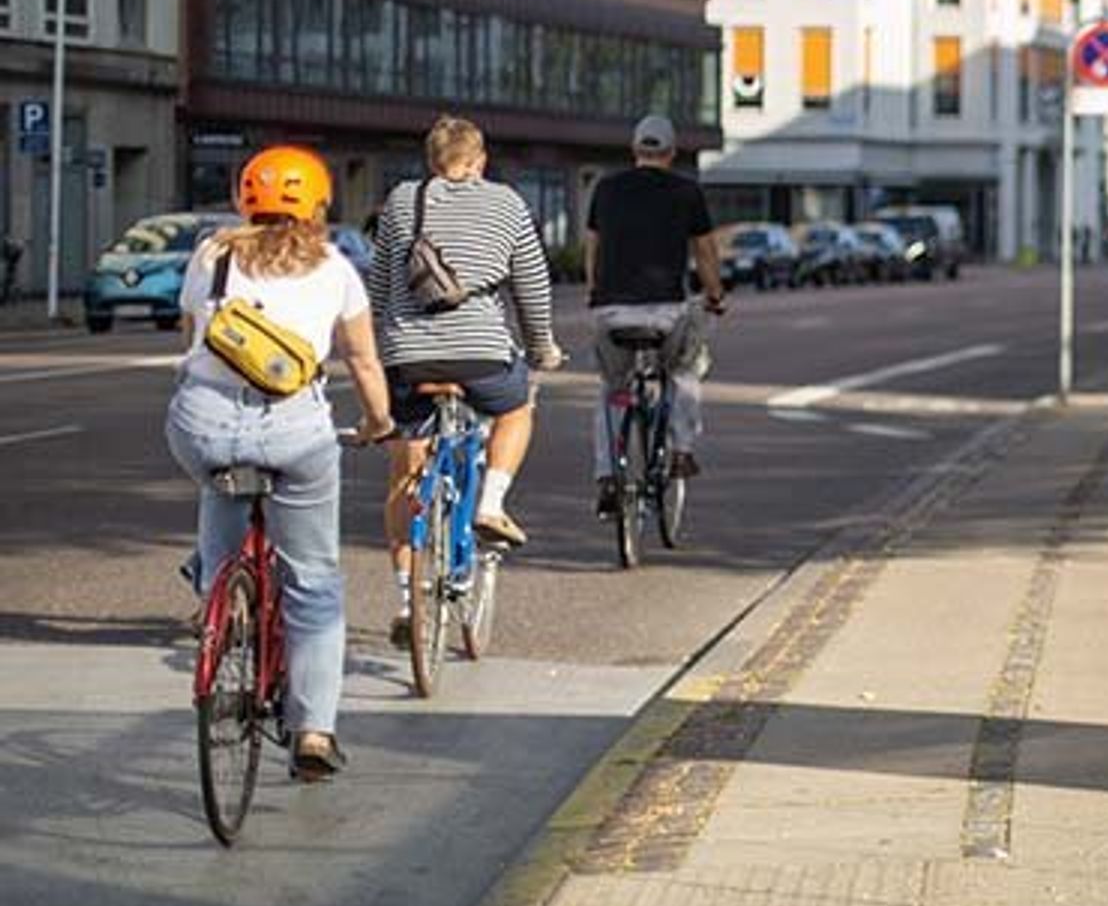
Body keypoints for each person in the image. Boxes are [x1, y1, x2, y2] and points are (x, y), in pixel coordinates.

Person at [166, 145, 394, 782]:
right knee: (314, 580)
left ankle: (218, 593)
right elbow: (363, 360)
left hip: (203, 425)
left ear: (243, 199)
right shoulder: (335, 267)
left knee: (220, 480)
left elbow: (190, 334)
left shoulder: (211, 255)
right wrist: (378, 423)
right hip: (294, 431)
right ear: (319, 204)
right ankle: (315, 730)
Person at [369, 117, 562, 644]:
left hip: (408, 359)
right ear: (479, 161)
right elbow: (532, 287)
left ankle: (407, 600)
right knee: (517, 408)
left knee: (405, 473)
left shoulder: (401, 201)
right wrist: (541, 349)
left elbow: (380, 287)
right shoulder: (507, 204)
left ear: (431, 162)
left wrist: (390, 346)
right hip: (482, 355)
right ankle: (491, 503)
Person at [585, 115, 725, 516]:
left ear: (635, 150)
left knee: (613, 388)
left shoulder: (606, 188)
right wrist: (714, 294)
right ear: (672, 153)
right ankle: (681, 450)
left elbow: (592, 246)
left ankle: (607, 475)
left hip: (610, 310)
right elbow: (705, 252)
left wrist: (595, 290)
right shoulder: (687, 191)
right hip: (666, 310)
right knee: (684, 367)